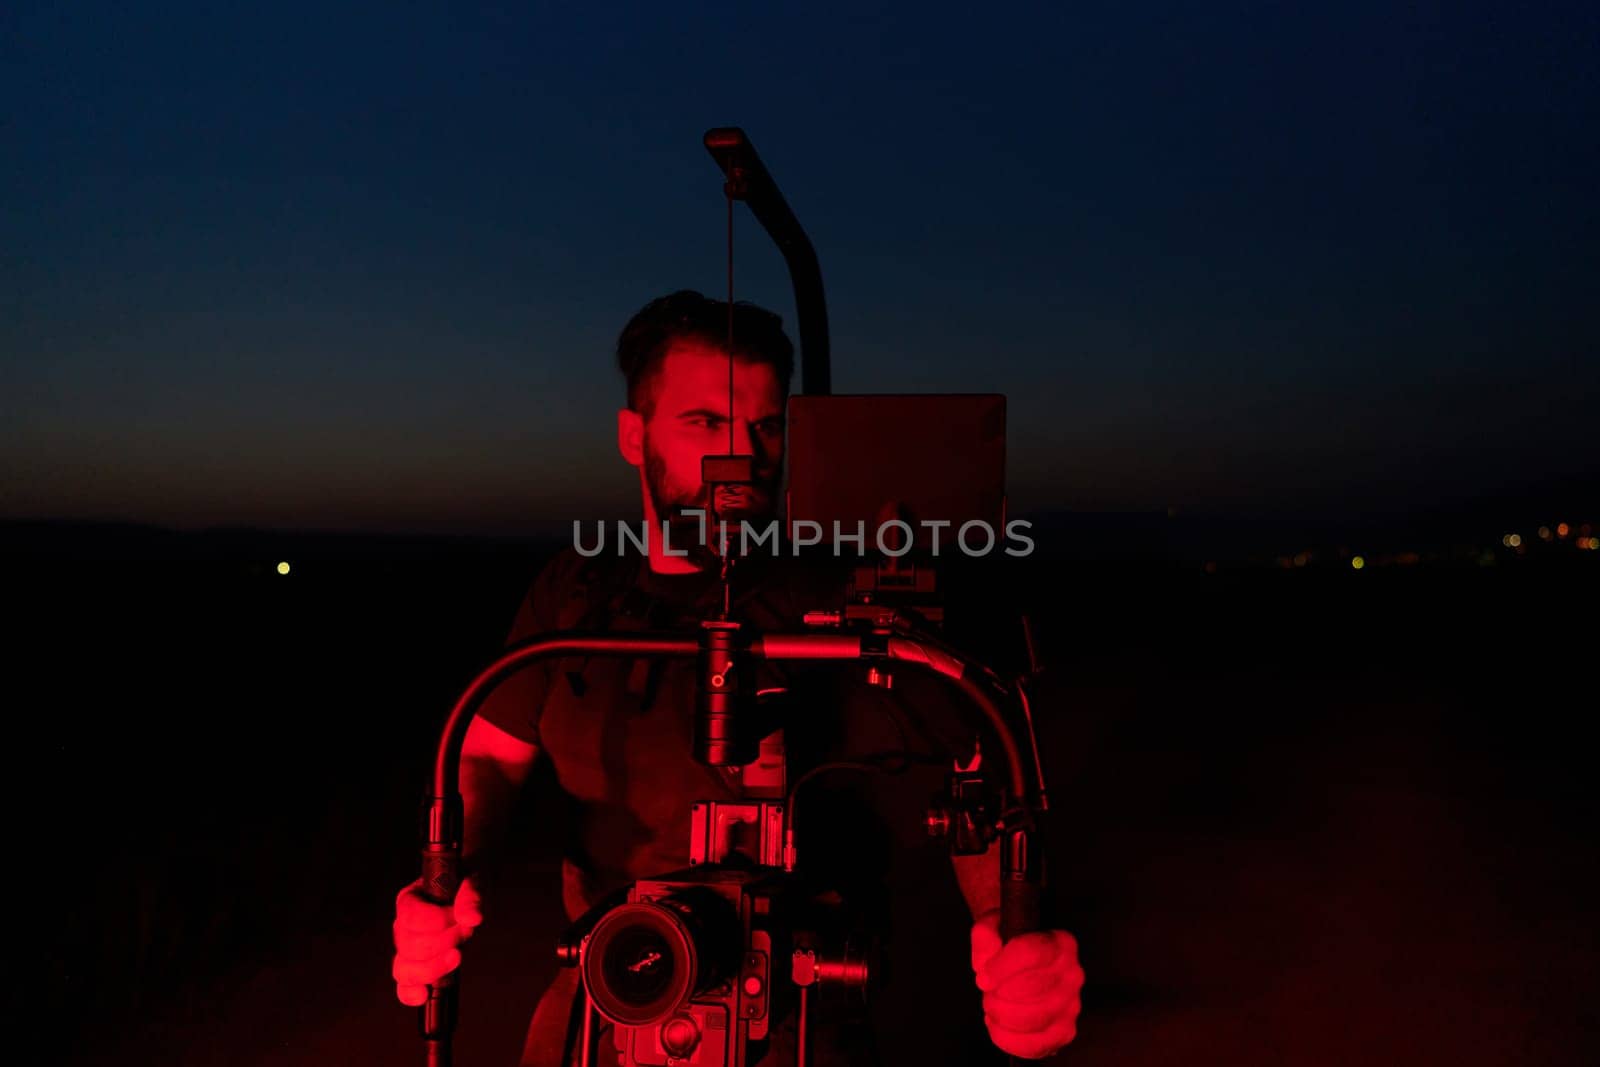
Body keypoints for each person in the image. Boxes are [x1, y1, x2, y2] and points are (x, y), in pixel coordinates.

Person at [391, 291, 1083, 1064]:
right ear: (633, 434)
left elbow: (981, 774)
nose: (743, 454)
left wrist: (1016, 932)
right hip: (609, 991)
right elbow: (484, 754)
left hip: (797, 1014)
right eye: (705, 423)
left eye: (764, 427)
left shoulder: (843, 601)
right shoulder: (576, 593)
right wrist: (444, 883)